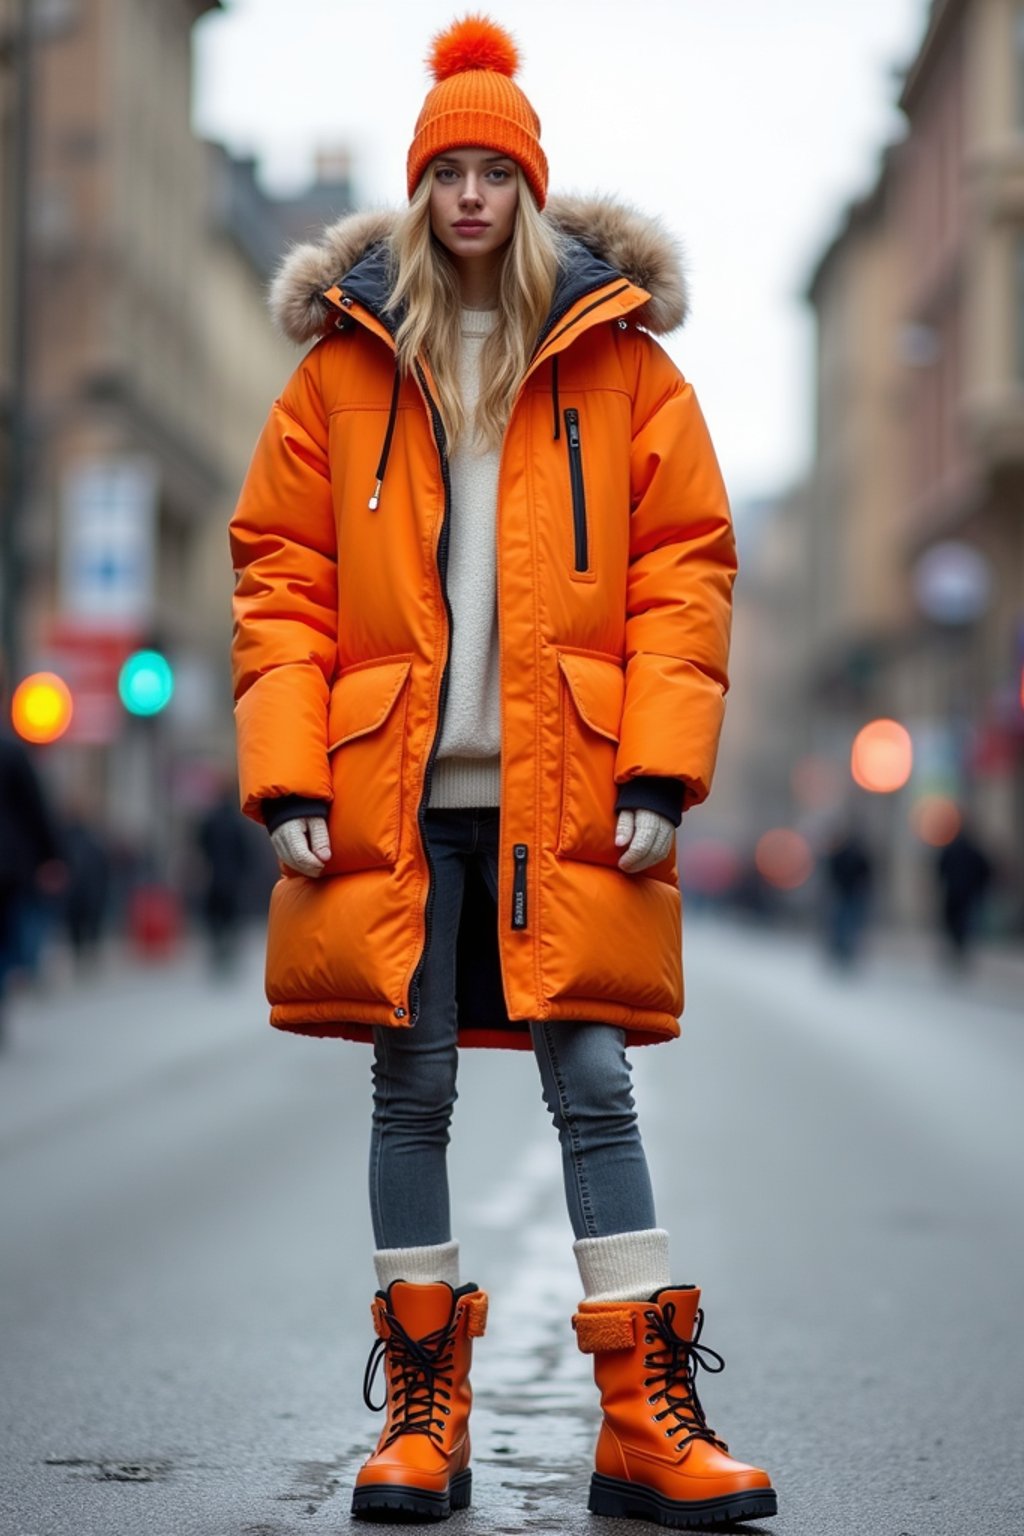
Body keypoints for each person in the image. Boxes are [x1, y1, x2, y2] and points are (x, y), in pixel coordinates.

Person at [230, 16, 775, 1528]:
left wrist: (659, 772)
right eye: (448, 172)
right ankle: (423, 1421)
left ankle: (646, 1428)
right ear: (420, 191)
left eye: (495, 173)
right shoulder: (340, 369)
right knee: (408, 1086)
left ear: (531, 191)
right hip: (393, 789)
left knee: (593, 1083)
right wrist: (291, 783)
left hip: (573, 789)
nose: (471, 197)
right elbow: (280, 575)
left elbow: (686, 574)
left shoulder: (625, 368)